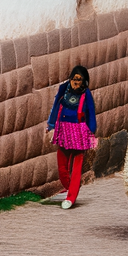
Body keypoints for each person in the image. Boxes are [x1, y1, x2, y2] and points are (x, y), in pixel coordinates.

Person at [46, 65, 97, 210]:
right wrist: (50, 125)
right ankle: (70, 187)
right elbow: (56, 105)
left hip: (80, 132)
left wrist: (91, 131)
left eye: (79, 80)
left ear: (84, 81)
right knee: (62, 166)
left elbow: (91, 112)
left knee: (77, 166)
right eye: (74, 78)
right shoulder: (63, 89)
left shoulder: (86, 94)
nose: (76, 82)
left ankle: (71, 197)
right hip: (63, 129)